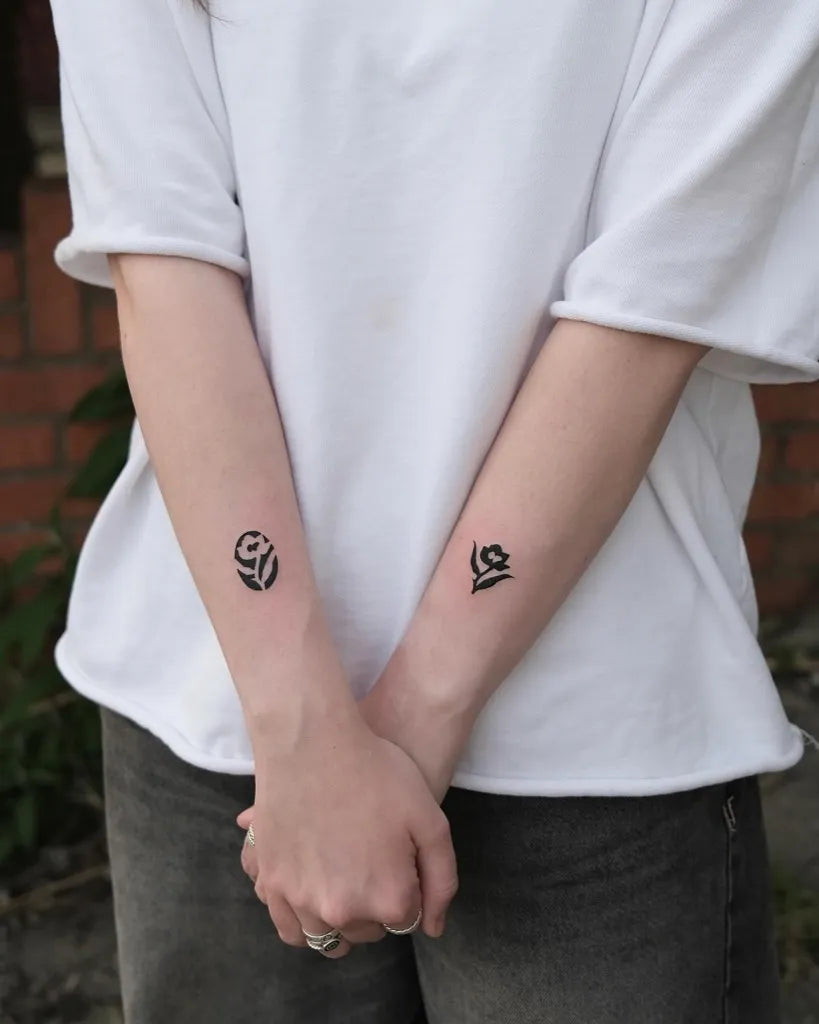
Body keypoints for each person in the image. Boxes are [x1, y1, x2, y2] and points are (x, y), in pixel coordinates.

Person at [48, 1, 819, 1021]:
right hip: (225, 718)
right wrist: (305, 732)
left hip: (582, 739)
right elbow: (162, 259)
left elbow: (654, 308)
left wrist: (374, 741)